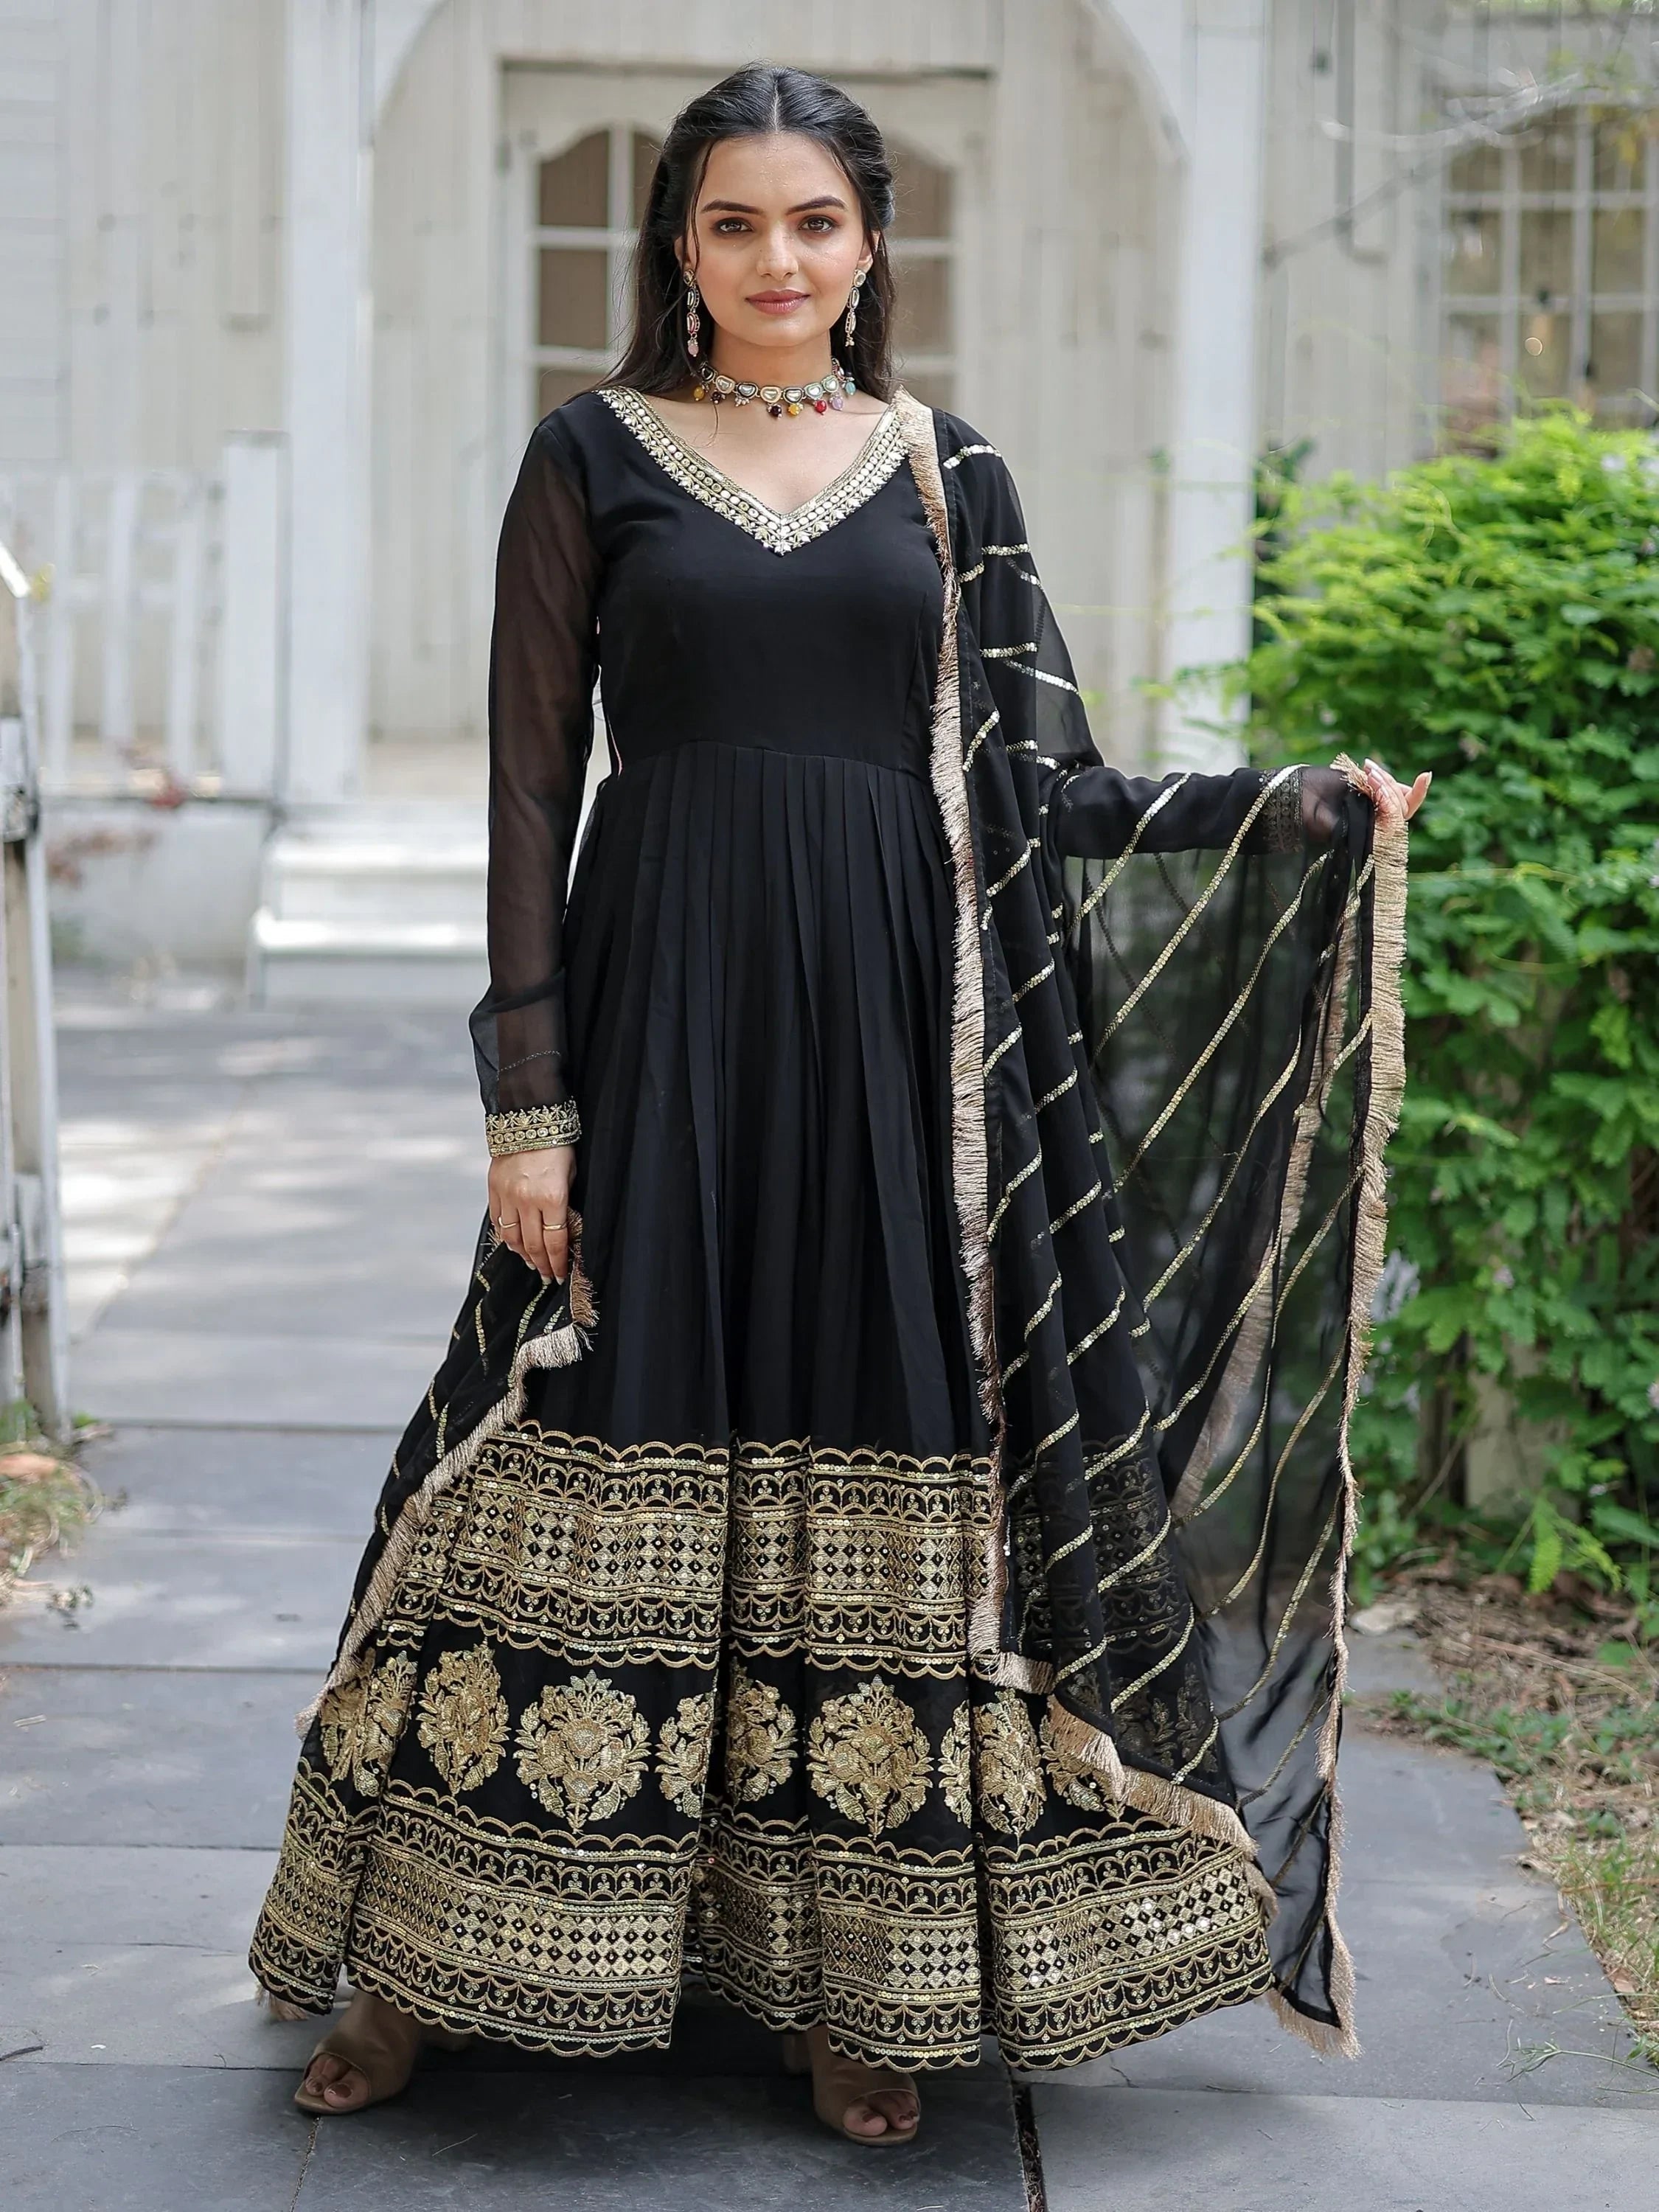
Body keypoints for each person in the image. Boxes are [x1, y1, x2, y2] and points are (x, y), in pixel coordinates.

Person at [250, 63, 1429, 2147]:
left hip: (891, 1040)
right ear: (680, 251)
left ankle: (849, 1984)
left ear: (869, 244)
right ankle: (424, 1964)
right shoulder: (590, 456)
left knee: (871, 1437)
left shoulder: (942, 474)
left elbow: (1044, 790)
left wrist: (1291, 811)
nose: (776, 260)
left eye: (814, 222)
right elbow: (531, 786)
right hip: (658, 1009)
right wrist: (529, 1100)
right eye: (732, 224)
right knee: (569, 1417)